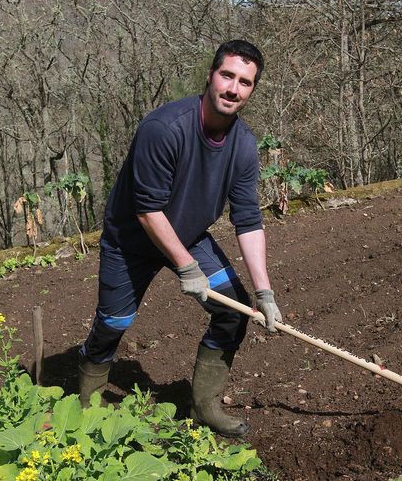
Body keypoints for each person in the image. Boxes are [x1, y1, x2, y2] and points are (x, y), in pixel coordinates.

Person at [76, 39, 282, 438]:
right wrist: (187, 267)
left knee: (234, 310)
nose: (233, 89)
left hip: (188, 236)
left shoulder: (243, 145)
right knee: (115, 321)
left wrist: (265, 292)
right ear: (210, 75)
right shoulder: (164, 128)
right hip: (131, 242)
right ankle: (88, 405)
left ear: (252, 90)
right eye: (227, 76)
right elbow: (147, 210)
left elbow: (248, 219)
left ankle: (204, 407)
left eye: (245, 82)